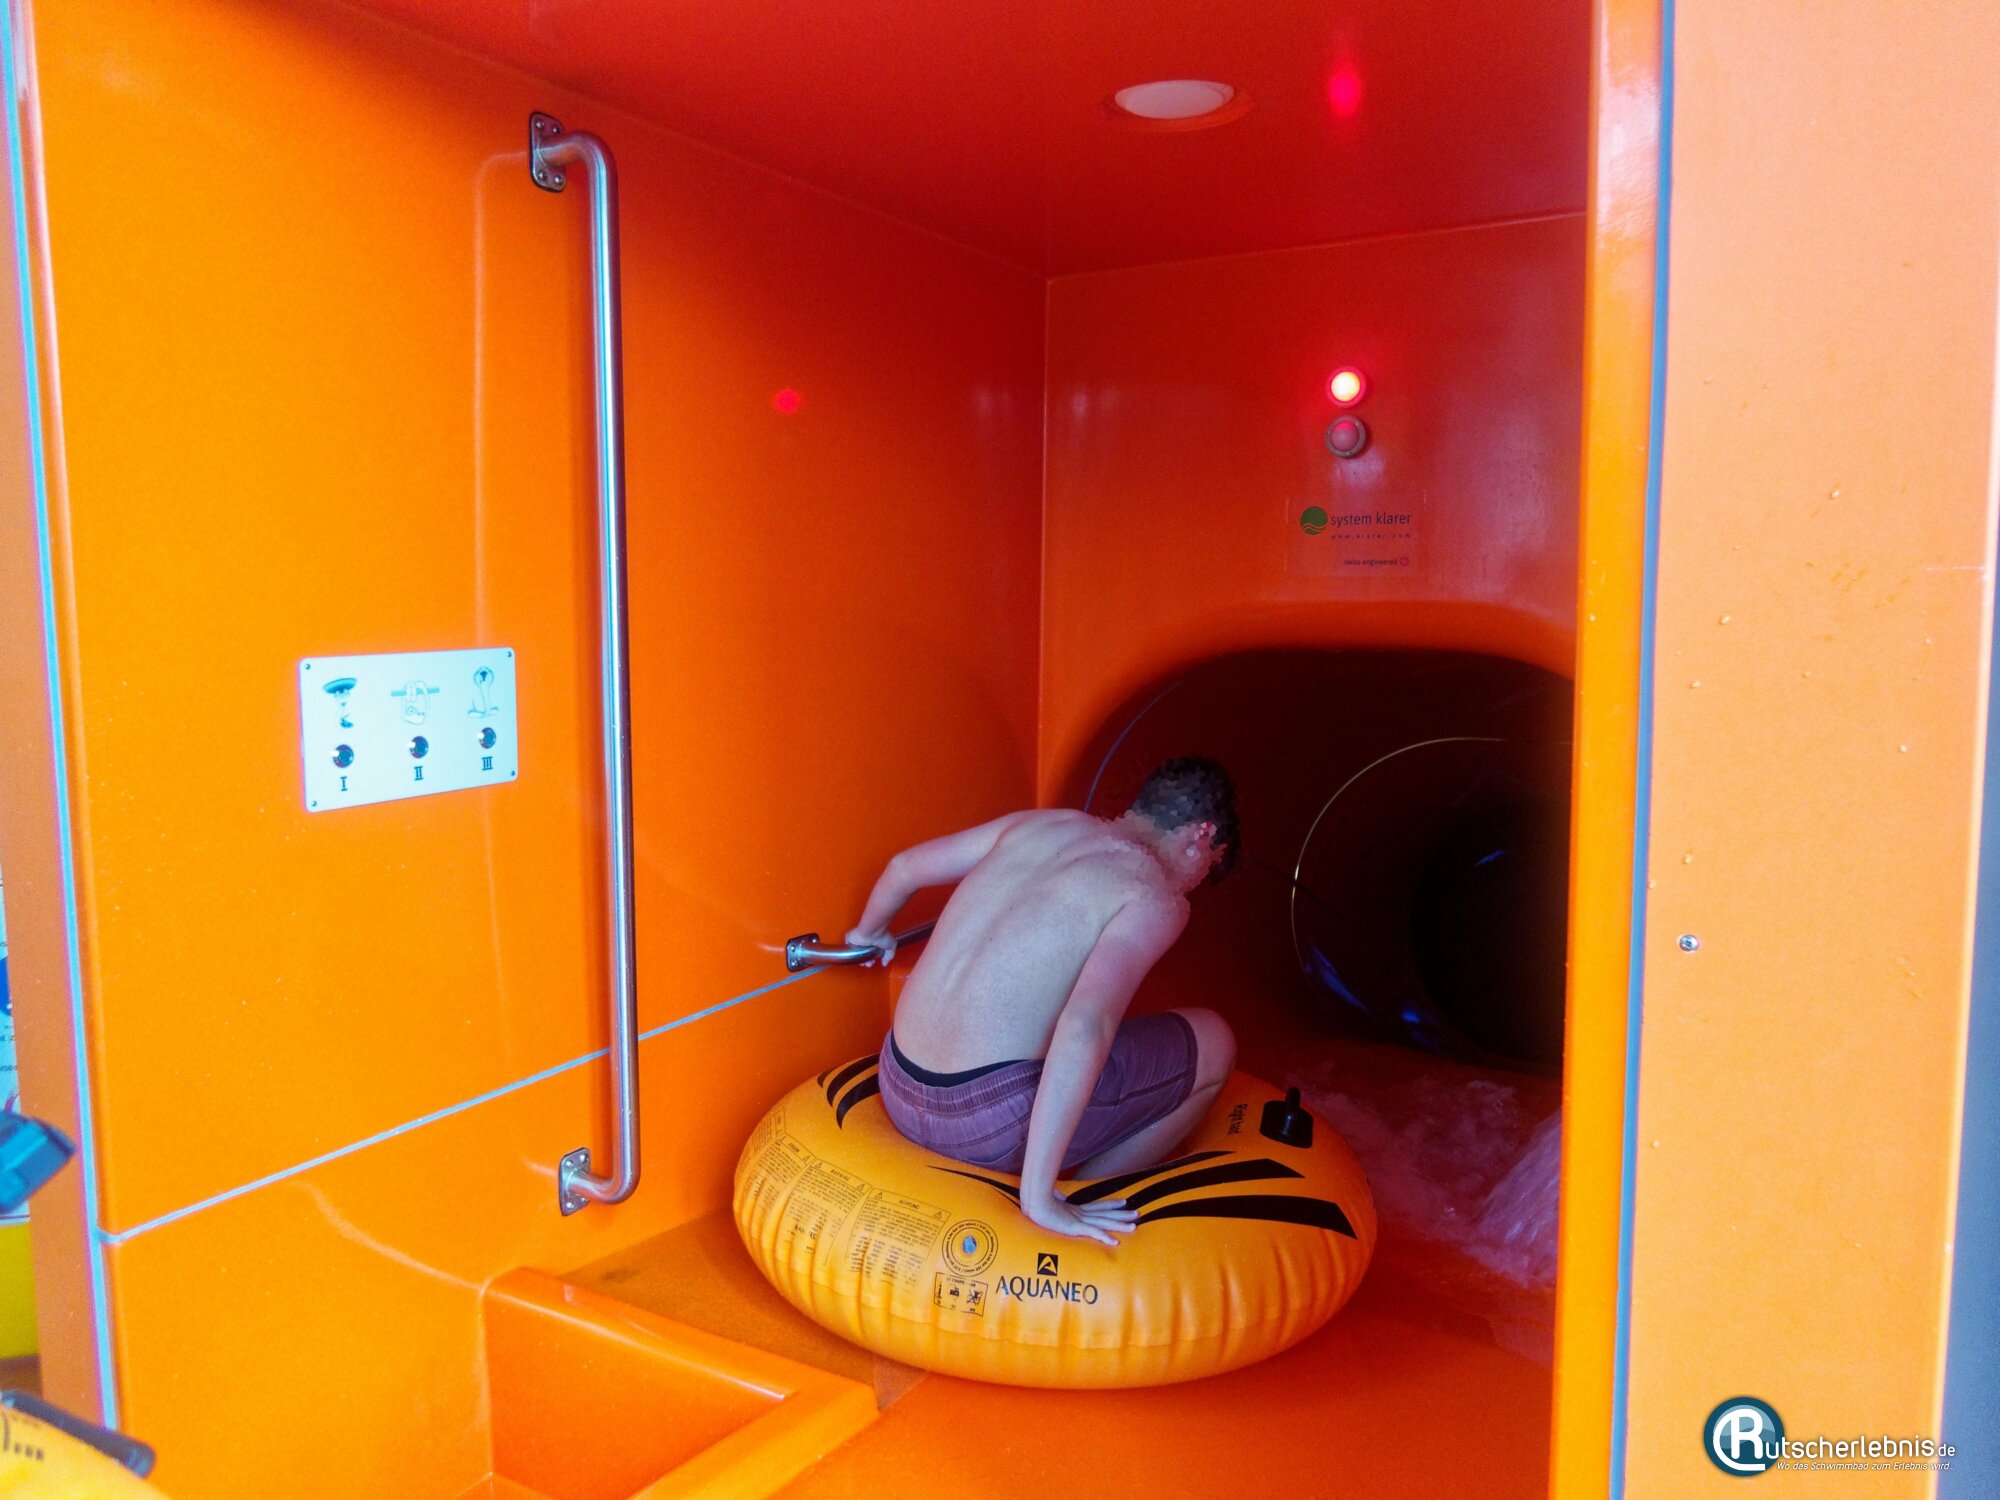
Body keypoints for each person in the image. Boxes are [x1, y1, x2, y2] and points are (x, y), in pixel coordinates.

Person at [844, 756, 1239, 1246]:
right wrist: (1038, 1198)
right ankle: (1079, 1193)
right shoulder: (1152, 893)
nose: (1196, 883)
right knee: (1216, 1041)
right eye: (1209, 866)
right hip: (983, 1127)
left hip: (896, 1081)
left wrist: (869, 932)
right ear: (1202, 835)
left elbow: (904, 867)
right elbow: (1085, 1025)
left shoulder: (1042, 824)